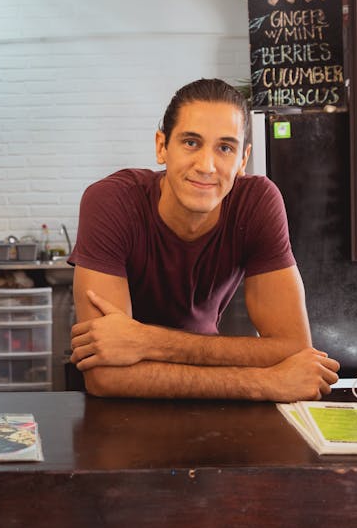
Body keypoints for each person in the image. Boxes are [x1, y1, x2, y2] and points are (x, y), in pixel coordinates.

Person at [68, 78, 340, 401]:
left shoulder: (257, 203)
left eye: (225, 148)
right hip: (118, 415)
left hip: (213, 410)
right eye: (191, 143)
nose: (207, 166)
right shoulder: (111, 201)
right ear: (161, 147)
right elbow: (104, 377)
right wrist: (264, 383)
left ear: (242, 160)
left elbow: (294, 348)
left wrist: (145, 341)